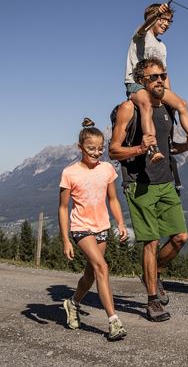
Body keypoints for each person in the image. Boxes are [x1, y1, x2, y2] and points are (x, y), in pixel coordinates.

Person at [110, 57, 188, 322]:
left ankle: (152, 274)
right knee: (151, 241)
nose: (160, 80)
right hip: (139, 184)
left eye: (162, 75)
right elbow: (113, 150)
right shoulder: (128, 108)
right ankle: (152, 300)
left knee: (180, 237)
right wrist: (139, 149)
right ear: (141, 82)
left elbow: (169, 146)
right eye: (154, 77)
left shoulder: (166, 109)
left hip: (165, 181)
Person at [59, 118, 128, 341]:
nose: (97, 153)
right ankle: (113, 321)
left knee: (91, 274)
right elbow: (62, 208)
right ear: (80, 147)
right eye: (91, 149)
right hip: (81, 227)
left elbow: (113, 199)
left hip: (102, 227)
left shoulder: (107, 169)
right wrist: (66, 240)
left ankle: (72, 303)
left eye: (100, 149)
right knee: (102, 267)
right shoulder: (69, 173)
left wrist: (120, 222)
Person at [124, 2, 188, 162]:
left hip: (156, 85)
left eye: (169, 21)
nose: (166, 24)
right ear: (152, 18)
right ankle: (152, 148)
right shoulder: (141, 36)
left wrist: (169, 96)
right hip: (137, 83)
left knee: (181, 104)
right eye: (163, 19)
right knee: (146, 104)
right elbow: (142, 28)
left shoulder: (162, 47)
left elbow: (164, 74)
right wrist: (154, 15)